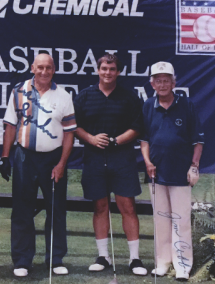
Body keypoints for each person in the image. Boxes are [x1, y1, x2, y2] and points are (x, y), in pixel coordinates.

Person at [0, 54, 76, 277]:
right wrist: (5, 157)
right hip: (25, 157)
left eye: (48, 68)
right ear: (33, 67)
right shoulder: (18, 90)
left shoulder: (63, 95)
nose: (44, 71)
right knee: (22, 209)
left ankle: (55, 258)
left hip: (53, 159)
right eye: (40, 67)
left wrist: (62, 163)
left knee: (56, 209)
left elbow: (70, 133)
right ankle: (22, 260)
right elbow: (11, 126)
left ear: (54, 69)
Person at [73, 54, 147, 276]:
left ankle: (135, 259)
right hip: (94, 159)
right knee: (100, 207)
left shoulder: (130, 97)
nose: (108, 72)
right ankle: (103, 256)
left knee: (128, 207)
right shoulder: (85, 96)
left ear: (118, 71)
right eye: (104, 68)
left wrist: (116, 140)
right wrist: (91, 138)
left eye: (112, 69)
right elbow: (74, 125)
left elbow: (138, 126)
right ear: (98, 70)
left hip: (122, 158)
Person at [140, 61, 204, 281]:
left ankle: (183, 265)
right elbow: (145, 140)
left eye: (166, 79)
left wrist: (194, 166)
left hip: (181, 173)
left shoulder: (186, 105)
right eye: (158, 80)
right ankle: (162, 263)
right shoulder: (148, 105)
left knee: (181, 220)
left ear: (174, 82)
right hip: (156, 173)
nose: (162, 84)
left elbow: (198, 141)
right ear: (152, 83)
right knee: (161, 220)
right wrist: (147, 162)